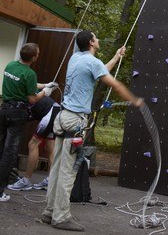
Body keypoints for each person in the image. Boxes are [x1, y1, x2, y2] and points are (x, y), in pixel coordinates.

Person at [40, 30, 143, 232]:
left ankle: (49, 211)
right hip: (74, 121)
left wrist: (115, 57)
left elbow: (98, 71)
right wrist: (134, 100)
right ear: (91, 42)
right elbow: (114, 83)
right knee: (68, 172)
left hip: (62, 117)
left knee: (57, 167)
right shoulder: (91, 62)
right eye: (96, 38)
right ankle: (61, 217)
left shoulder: (76, 58)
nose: (98, 40)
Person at [0, 43, 58, 202]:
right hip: (22, 112)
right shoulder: (30, 73)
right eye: (37, 54)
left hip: (9, 109)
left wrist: (45, 86)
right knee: (13, 151)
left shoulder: (11, 65)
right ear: (34, 57)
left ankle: (28, 180)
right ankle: (2, 190)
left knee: (14, 145)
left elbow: (27, 85)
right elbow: (32, 97)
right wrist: (44, 93)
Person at [7, 96, 61, 191]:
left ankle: (26, 181)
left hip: (50, 113)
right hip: (56, 111)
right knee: (50, 147)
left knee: (32, 144)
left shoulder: (23, 91)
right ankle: (50, 180)